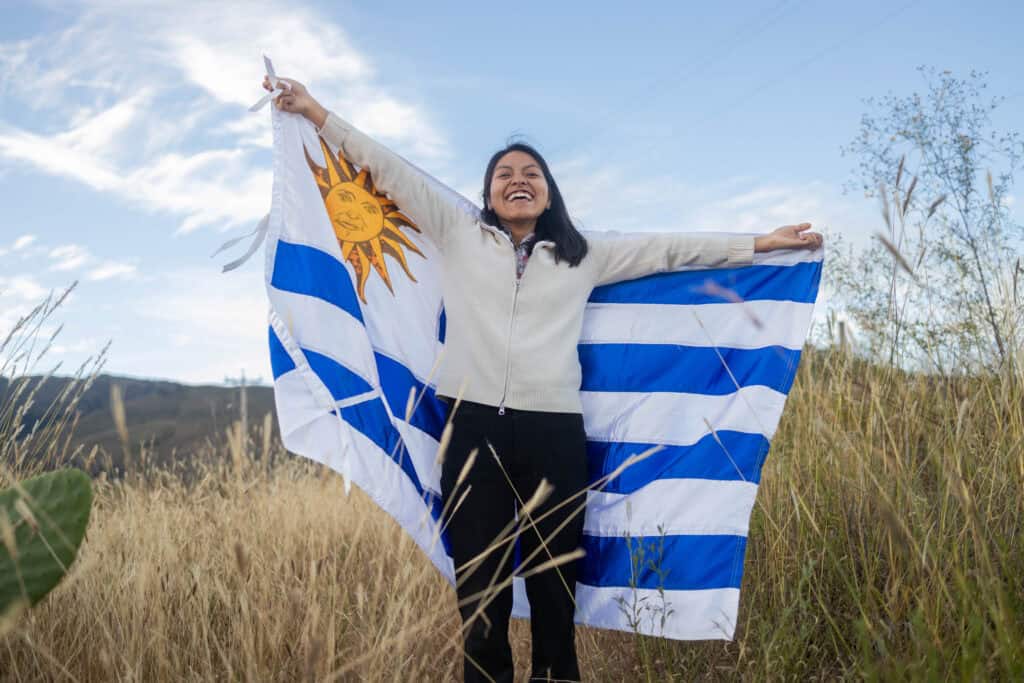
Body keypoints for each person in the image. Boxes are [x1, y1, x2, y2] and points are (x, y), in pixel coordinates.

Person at [261, 75, 823, 682]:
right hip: (471, 432)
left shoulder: (586, 254)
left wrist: (761, 244)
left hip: (553, 435)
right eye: (505, 174)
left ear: (549, 192)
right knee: (482, 591)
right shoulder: (457, 231)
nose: (518, 179)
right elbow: (387, 167)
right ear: (488, 193)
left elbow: (671, 249)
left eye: (531, 172)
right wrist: (316, 112)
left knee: (555, 592)